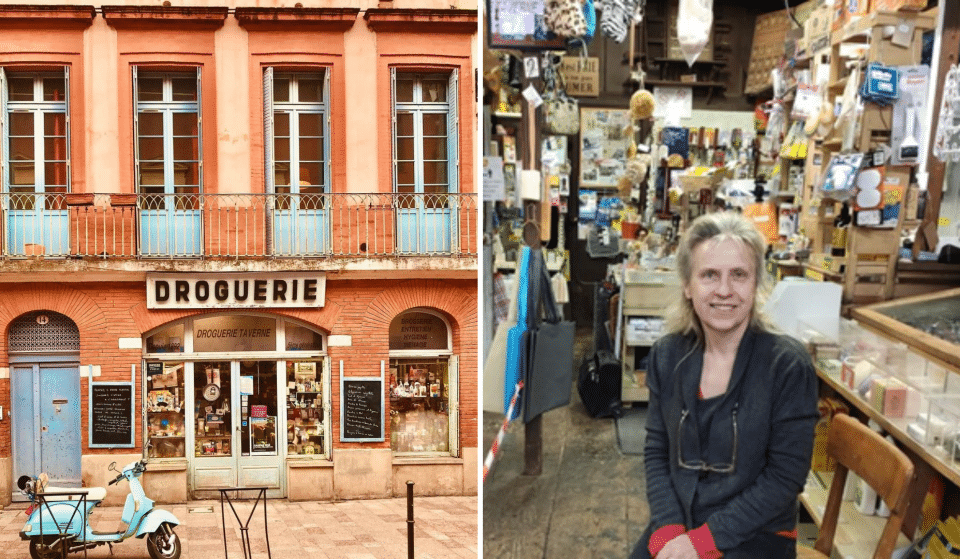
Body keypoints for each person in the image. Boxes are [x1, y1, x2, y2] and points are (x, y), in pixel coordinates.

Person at [630, 212, 819, 559]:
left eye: (739, 275)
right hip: (682, 522)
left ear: (757, 283)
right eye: (709, 275)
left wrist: (702, 543)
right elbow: (658, 448)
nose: (724, 291)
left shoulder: (786, 365)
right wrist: (669, 528)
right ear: (688, 285)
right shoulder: (667, 355)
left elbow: (785, 478)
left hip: (758, 532)